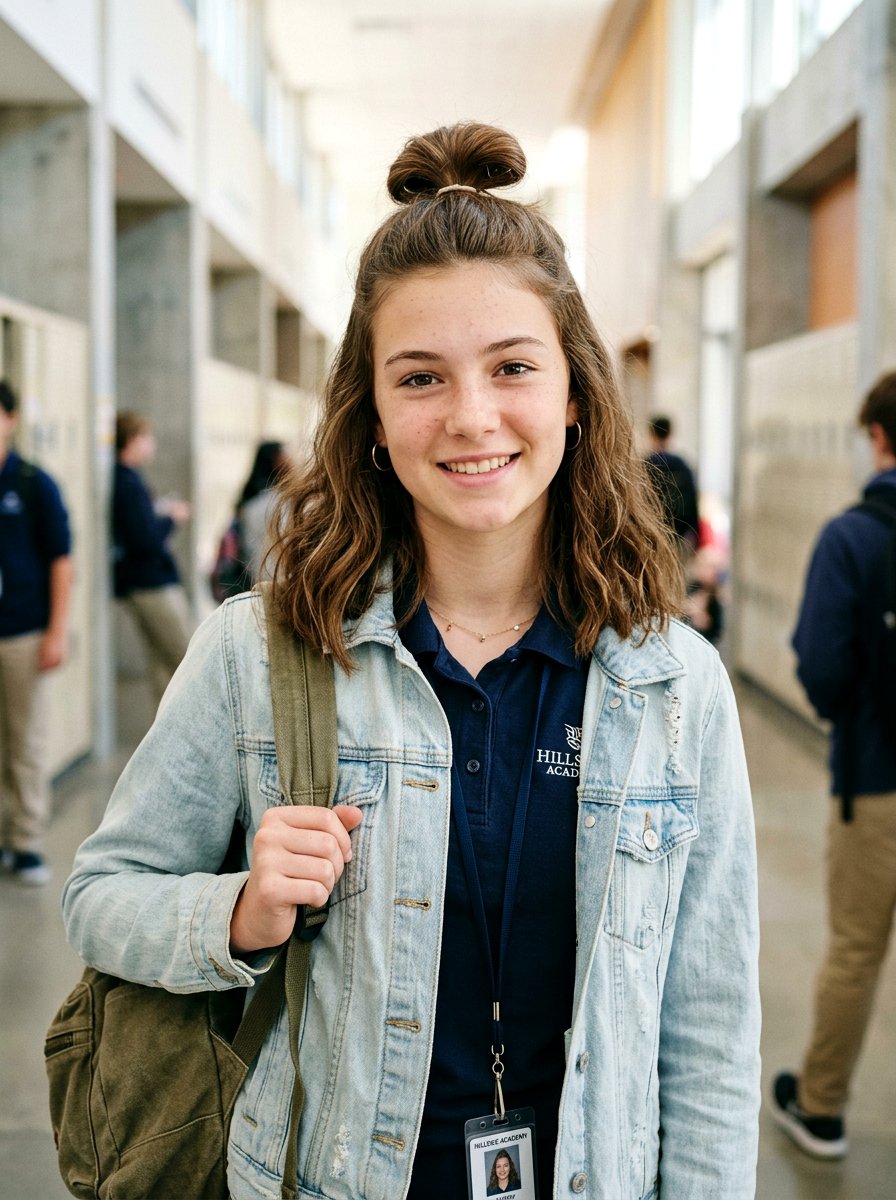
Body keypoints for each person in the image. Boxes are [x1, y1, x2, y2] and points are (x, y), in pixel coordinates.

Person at [64, 123, 760, 1199]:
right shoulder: (261, 651)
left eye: (512, 367)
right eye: (422, 377)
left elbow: (708, 1032)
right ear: (375, 418)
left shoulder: (674, 686)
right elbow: (102, 896)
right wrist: (239, 910)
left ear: (573, 394)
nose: (472, 417)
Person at [772, 372, 896, 1160]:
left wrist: (854, 711)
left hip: (877, 780)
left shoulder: (852, 536)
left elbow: (820, 665)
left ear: (877, 436)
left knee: (856, 949)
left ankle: (820, 1110)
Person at [0, 380, 73, 884]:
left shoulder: (33, 484)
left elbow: (61, 562)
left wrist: (56, 632)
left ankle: (25, 841)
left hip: (22, 632)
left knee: (24, 741)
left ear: (11, 420)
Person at [112, 411, 193, 701]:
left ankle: (165, 725)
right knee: (188, 656)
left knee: (162, 662)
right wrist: (172, 518)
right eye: (147, 438)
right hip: (150, 582)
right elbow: (144, 539)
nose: (152, 445)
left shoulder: (128, 479)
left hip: (143, 581)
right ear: (131, 440)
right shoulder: (126, 482)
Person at [645, 415, 700, 556]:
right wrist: (696, 534)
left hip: (650, 536)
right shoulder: (682, 466)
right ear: (670, 433)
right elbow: (692, 502)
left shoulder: (645, 466)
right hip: (678, 536)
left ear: (651, 434)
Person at [236, 440, 289, 583]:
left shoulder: (251, 501)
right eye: (286, 455)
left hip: (259, 575)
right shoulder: (277, 502)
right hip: (279, 577)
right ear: (276, 461)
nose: (291, 460)